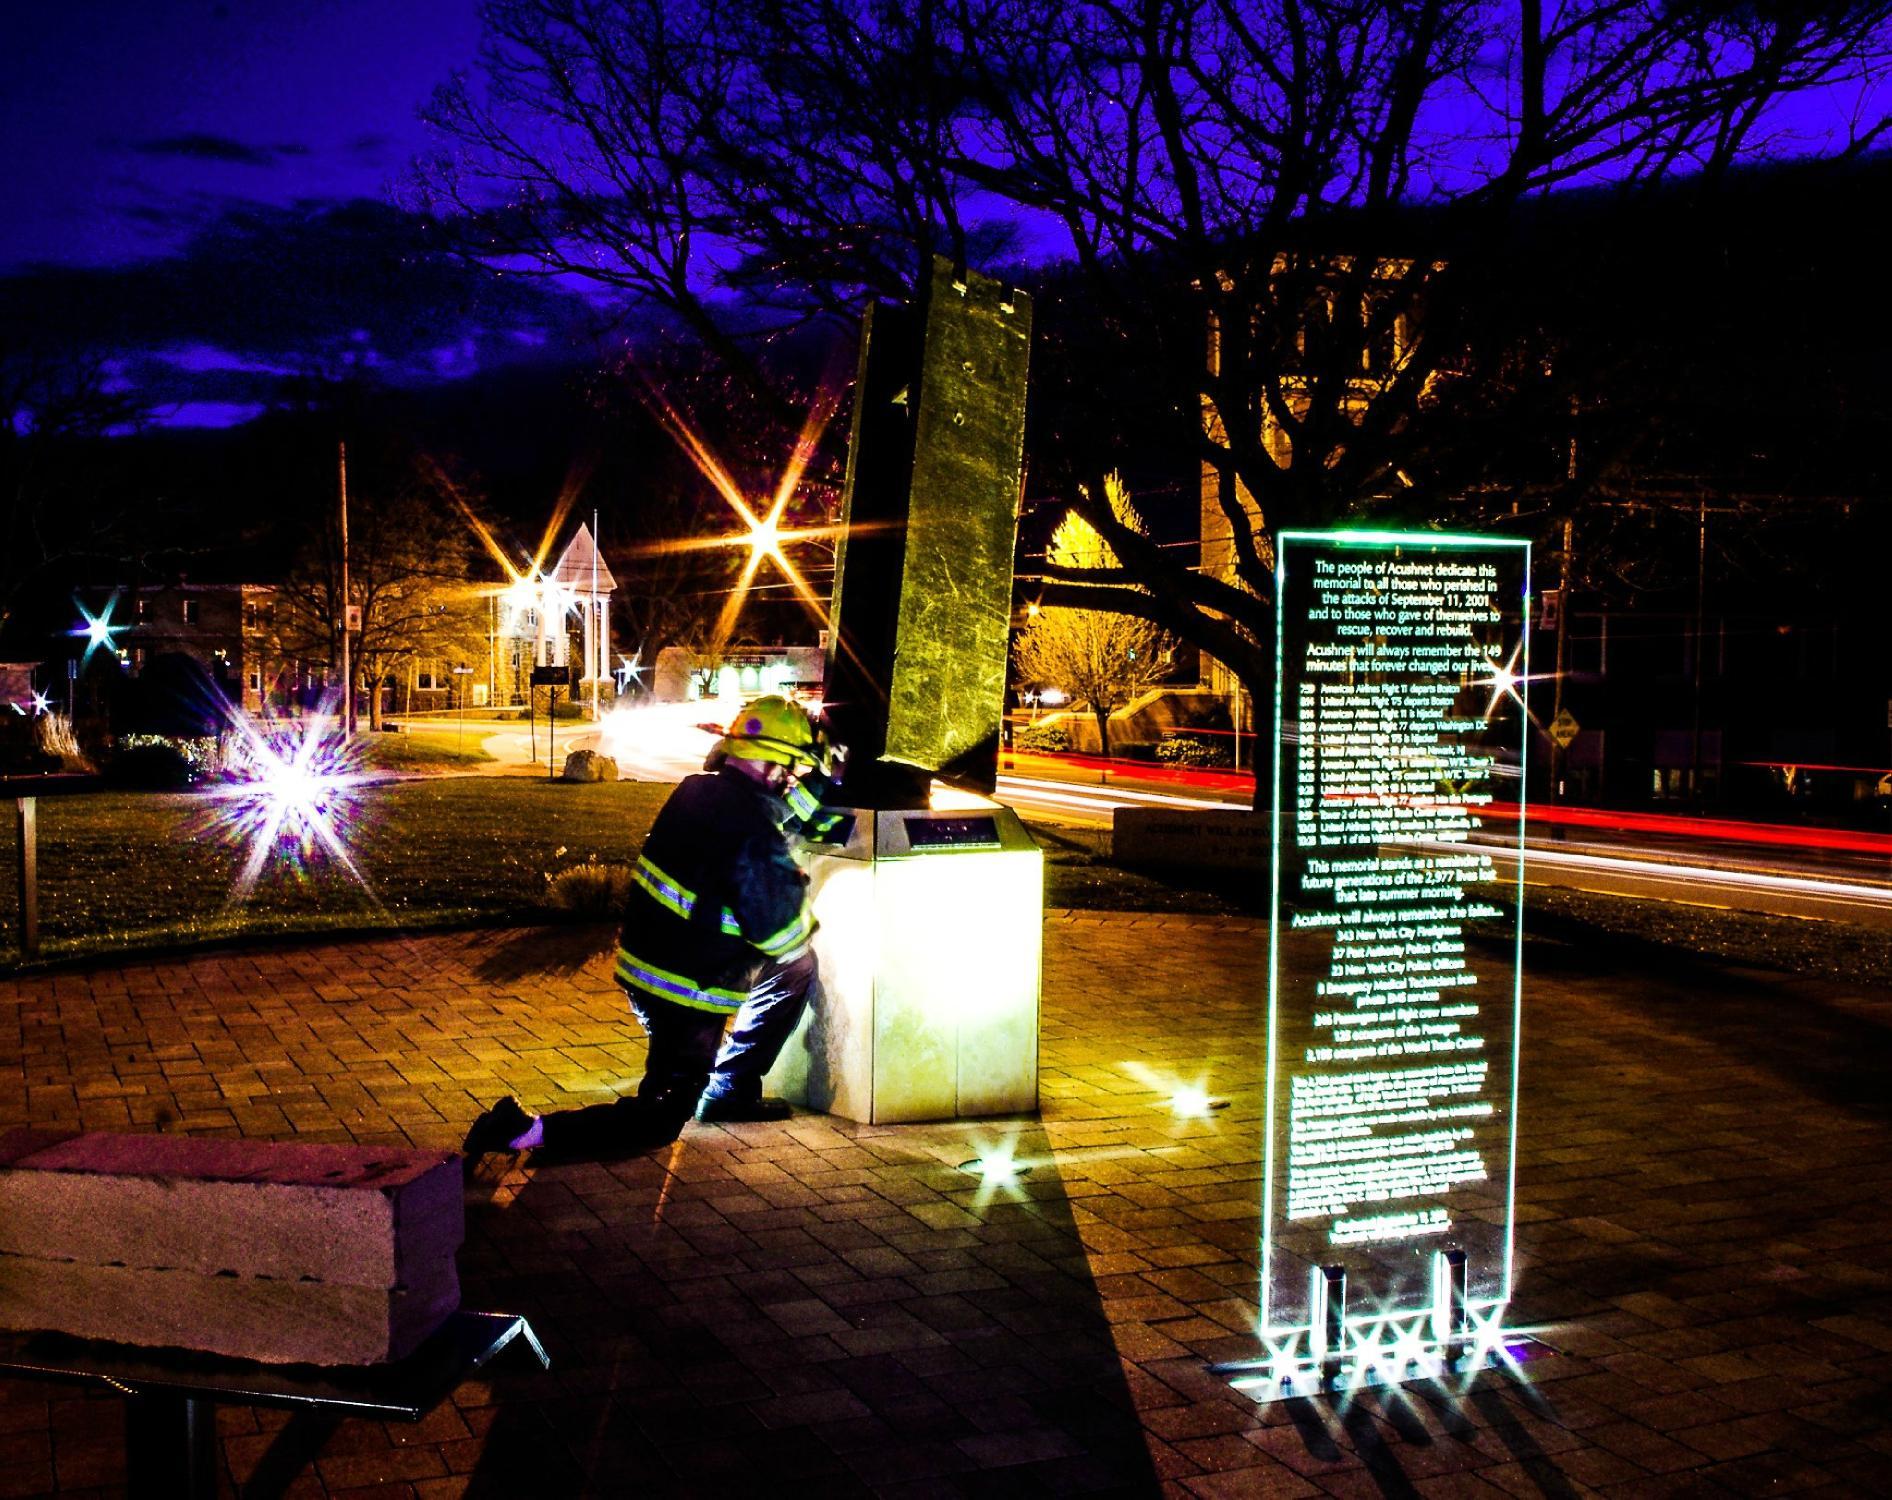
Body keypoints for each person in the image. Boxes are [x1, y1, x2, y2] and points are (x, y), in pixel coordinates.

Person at [464, 694, 843, 1163]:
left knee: (795, 971)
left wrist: (825, 787)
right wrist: (796, 889)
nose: (791, 780)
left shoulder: (698, 791)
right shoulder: (752, 832)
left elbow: (767, 816)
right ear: (771, 763)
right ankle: (523, 1131)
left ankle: (731, 1088)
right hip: (686, 992)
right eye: (790, 770)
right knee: (659, 1120)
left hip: (650, 962)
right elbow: (782, 934)